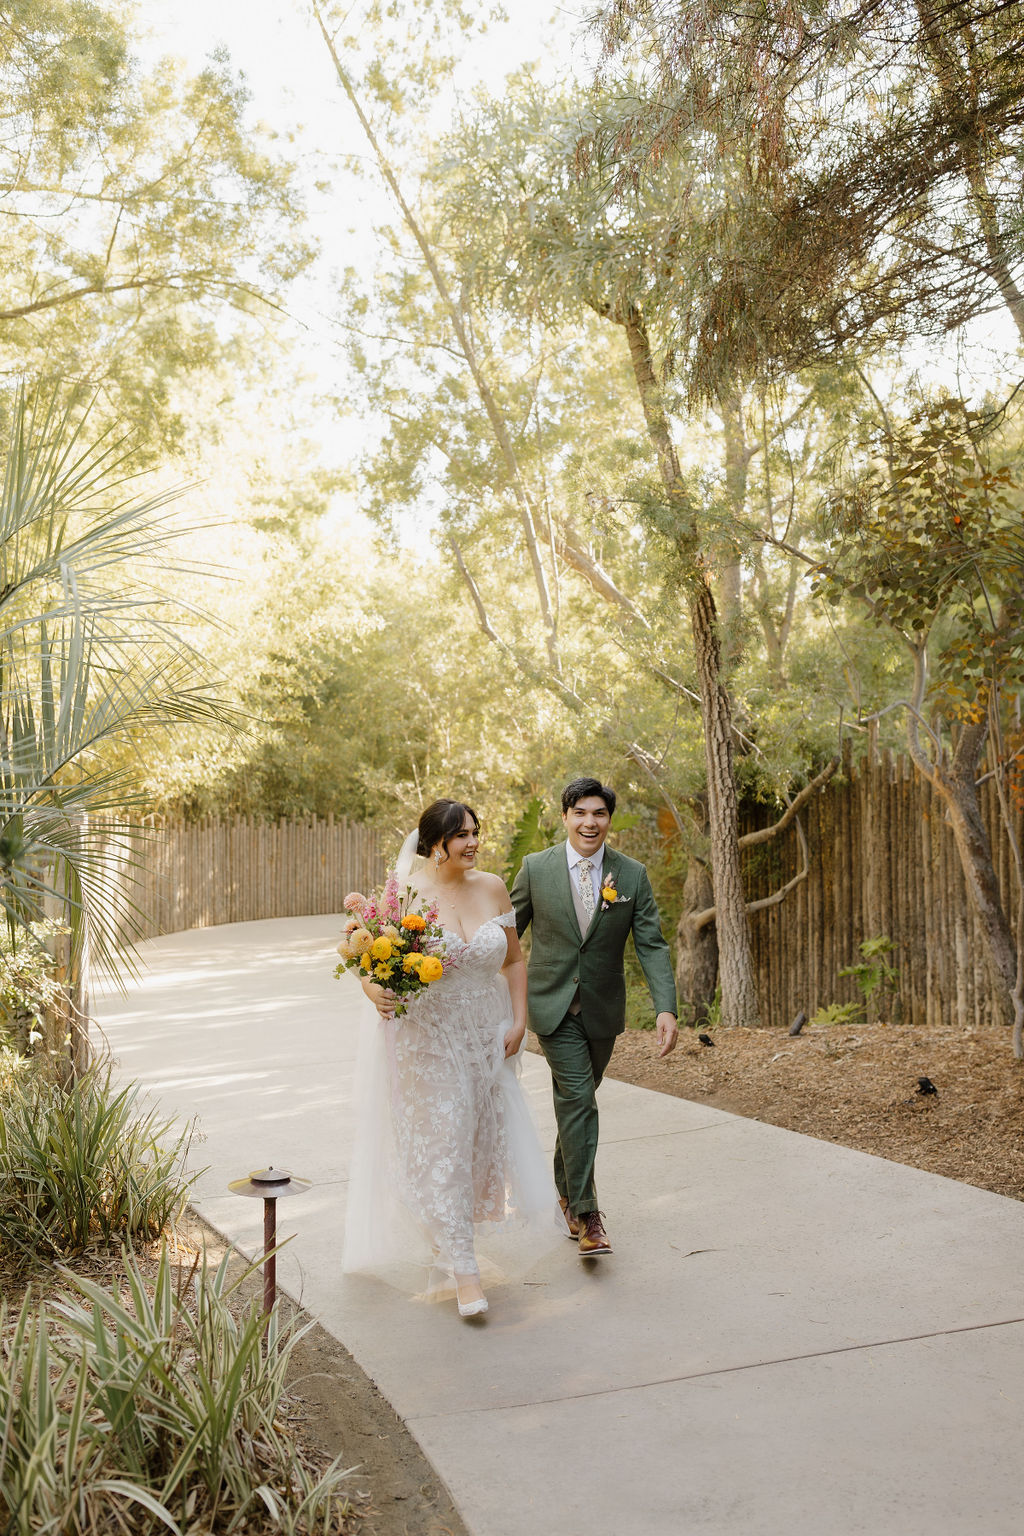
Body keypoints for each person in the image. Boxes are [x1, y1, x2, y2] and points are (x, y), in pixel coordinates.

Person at [341, 799, 562, 1318]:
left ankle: (444, 1239)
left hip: (485, 1035)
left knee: (472, 1144)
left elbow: (512, 958)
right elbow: (355, 948)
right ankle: (466, 1274)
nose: (473, 842)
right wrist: (372, 991)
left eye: (475, 832)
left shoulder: (492, 887)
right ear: (434, 844)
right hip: (427, 1036)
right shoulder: (408, 895)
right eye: (461, 835)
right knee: (443, 1140)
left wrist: (519, 1019)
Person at [510, 776, 678, 1257]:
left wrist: (665, 1006)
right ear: (564, 817)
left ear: (608, 819)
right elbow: (507, 937)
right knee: (580, 1098)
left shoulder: (631, 875)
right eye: (580, 813)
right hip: (552, 1006)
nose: (590, 822)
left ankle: (564, 1192)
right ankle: (587, 1214)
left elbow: (650, 943)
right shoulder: (535, 869)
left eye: (598, 814)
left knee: (575, 1105)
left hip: (603, 1010)